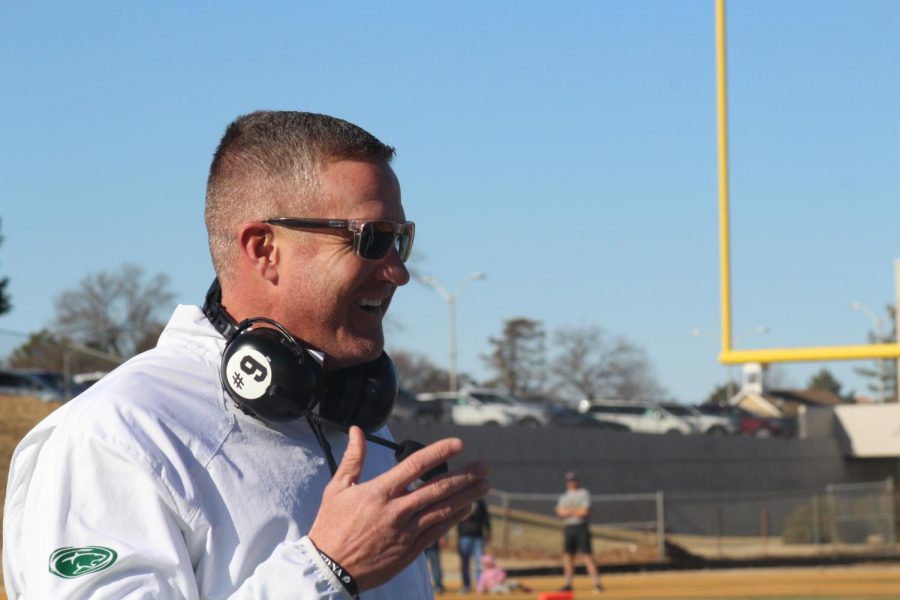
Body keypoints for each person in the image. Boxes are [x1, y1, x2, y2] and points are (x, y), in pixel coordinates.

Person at [2, 111, 491, 599]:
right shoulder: (115, 435)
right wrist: (328, 568)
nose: (397, 272)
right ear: (263, 249)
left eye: (400, 241)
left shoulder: (351, 415)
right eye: (373, 240)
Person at [555, 471, 602, 593]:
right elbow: (559, 512)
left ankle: (596, 583)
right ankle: (568, 584)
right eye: (569, 481)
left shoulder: (583, 493)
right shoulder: (564, 496)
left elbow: (585, 512)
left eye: (573, 480)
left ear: (577, 481)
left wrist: (568, 511)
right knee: (568, 556)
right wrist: (575, 511)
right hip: (569, 528)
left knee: (587, 555)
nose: (571, 483)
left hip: (582, 528)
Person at [456, 497, 491, 593]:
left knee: (480, 562)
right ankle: (466, 585)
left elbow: (486, 517)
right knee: (464, 563)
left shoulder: (480, 501)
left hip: (478, 536)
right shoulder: (461, 499)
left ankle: (480, 585)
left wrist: (488, 532)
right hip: (464, 536)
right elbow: (456, 518)